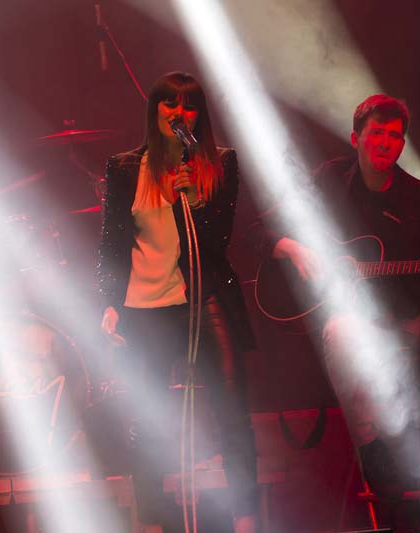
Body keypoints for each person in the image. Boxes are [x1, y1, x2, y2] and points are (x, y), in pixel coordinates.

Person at [260, 94, 420, 496]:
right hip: (360, 321)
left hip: (417, 315)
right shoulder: (328, 181)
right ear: (355, 138)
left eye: (394, 136)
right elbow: (263, 227)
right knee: (340, 333)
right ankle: (373, 450)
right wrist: (293, 247)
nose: (385, 143)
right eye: (376, 133)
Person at [97, 72, 258, 533]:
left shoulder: (219, 163)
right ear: (154, 111)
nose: (178, 112)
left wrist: (192, 199)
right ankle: (153, 522)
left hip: (201, 299)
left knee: (232, 413)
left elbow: (218, 241)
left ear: (199, 115)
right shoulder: (126, 167)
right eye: (169, 103)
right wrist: (108, 303)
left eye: (188, 105)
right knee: (147, 421)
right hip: (144, 306)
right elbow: (111, 242)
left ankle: (246, 521)